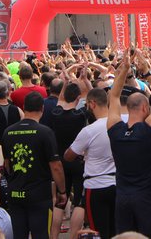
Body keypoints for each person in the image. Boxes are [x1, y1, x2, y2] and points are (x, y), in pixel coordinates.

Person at [107, 50, 151, 239]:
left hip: (123, 199)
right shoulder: (149, 130)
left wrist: (124, 71)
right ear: (145, 108)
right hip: (147, 199)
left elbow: (113, 97)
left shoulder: (115, 130)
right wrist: (148, 72)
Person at [2, 92, 67, 239]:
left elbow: (7, 164)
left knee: (19, 235)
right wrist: (62, 191)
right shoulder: (45, 132)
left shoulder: (8, 132)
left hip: (15, 193)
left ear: (24, 107)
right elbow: (56, 166)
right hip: (39, 195)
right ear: (42, 109)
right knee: (41, 234)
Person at [65, 88, 117, 239]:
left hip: (95, 185)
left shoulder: (89, 130)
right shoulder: (119, 125)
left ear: (92, 104)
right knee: (117, 230)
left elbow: (69, 155)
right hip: (117, 183)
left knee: (97, 232)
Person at [42, 82, 87, 239]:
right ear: (78, 98)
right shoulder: (80, 115)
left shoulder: (56, 113)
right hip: (78, 160)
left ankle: (53, 236)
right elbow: (90, 96)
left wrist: (65, 83)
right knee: (79, 203)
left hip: (60, 161)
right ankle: (73, 236)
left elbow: (60, 99)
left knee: (60, 200)